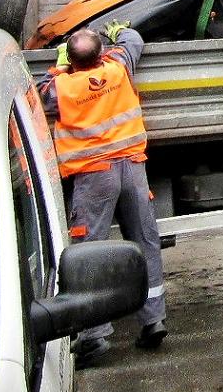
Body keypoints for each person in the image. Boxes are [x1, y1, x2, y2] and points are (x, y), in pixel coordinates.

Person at [37, 21, 167, 366]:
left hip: (96, 178)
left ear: (72, 59)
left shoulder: (62, 87)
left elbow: (40, 93)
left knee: (90, 253)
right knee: (145, 242)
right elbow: (132, 39)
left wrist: (63, 63)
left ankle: (94, 337)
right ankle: (153, 320)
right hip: (133, 170)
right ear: (102, 53)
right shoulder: (119, 66)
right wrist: (117, 30)